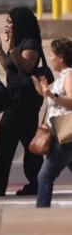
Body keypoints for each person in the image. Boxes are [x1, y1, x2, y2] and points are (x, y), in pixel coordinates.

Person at [0, 7, 45, 196]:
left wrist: (12, 48)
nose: (6, 26)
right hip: (15, 97)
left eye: (9, 22)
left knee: (5, 137)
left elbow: (26, 67)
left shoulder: (30, 43)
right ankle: (37, 183)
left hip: (24, 100)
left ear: (19, 23)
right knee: (29, 144)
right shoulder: (19, 42)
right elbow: (10, 68)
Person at [32, 38, 72, 208]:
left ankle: (42, 213)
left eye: (52, 54)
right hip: (62, 132)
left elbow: (71, 101)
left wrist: (51, 95)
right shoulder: (63, 76)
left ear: (61, 57)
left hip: (63, 133)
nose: (50, 58)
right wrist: (43, 91)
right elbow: (55, 101)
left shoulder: (69, 75)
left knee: (45, 176)